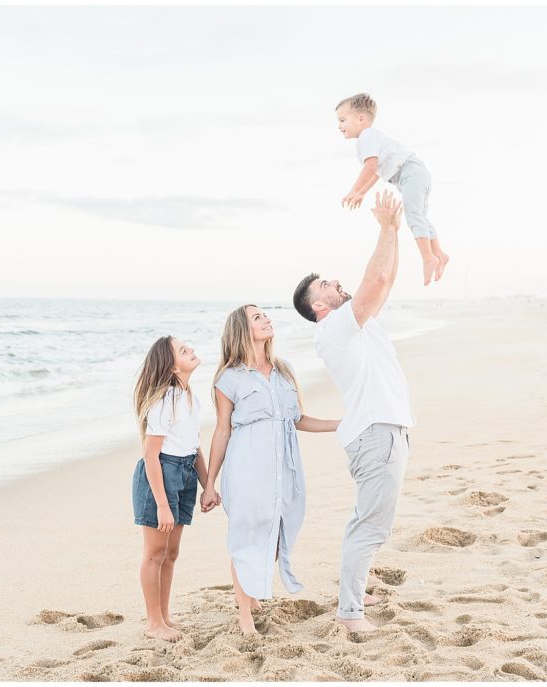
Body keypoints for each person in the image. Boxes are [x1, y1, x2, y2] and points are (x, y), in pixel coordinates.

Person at [291, 190, 415, 632]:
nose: (336, 283)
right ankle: (349, 615)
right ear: (318, 306)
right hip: (377, 435)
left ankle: (354, 591)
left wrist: (393, 232)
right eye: (326, 284)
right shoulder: (335, 331)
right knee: (372, 527)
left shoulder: (355, 326)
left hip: (382, 432)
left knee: (366, 521)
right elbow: (375, 283)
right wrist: (384, 228)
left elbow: (385, 281)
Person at [199, 305, 339, 636]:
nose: (267, 319)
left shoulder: (284, 370)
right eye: (258, 317)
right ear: (241, 330)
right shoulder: (228, 378)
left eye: (265, 315)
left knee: (278, 533)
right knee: (247, 535)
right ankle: (245, 615)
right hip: (246, 467)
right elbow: (222, 431)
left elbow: (298, 418)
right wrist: (209, 484)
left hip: (284, 469)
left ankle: (251, 591)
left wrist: (339, 424)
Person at [131, 336, 209, 642]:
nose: (190, 349)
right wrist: (162, 504)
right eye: (182, 350)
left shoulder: (189, 396)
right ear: (171, 365)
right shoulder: (164, 400)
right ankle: (153, 622)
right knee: (154, 553)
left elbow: (194, 445)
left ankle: (164, 616)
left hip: (185, 472)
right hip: (160, 476)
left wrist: (208, 486)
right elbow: (151, 455)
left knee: (171, 552)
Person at [336, 92, 450, 286]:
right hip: (413, 172)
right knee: (420, 216)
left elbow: (371, 166)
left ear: (361, 118)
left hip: (409, 172)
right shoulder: (369, 139)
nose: (339, 126)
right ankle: (439, 253)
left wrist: (354, 190)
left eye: (342, 120)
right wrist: (362, 193)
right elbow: (376, 172)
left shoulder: (367, 136)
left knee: (414, 216)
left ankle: (428, 257)